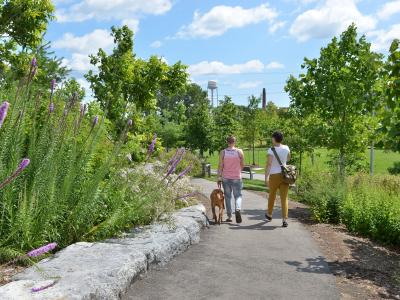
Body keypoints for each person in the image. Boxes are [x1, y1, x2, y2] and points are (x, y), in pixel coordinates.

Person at [264, 131, 291, 227]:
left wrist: (266, 177)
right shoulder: (286, 148)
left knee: (272, 195)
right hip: (284, 176)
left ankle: (269, 214)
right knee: (284, 198)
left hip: (274, 175)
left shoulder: (271, 150)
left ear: (274, 139)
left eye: (272, 138)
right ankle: (284, 219)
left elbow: (269, 164)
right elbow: (288, 159)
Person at [217, 136, 244, 223]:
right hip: (237, 177)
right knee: (238, 195)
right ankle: (238, 209)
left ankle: (229, 216)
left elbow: (220, 165)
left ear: (227, 142)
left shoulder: (223, 152)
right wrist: (238, 171)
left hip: (226, 177)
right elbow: (242, 165)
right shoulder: (239, 151)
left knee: (228, 197)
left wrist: (219, 176)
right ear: (235, 142)